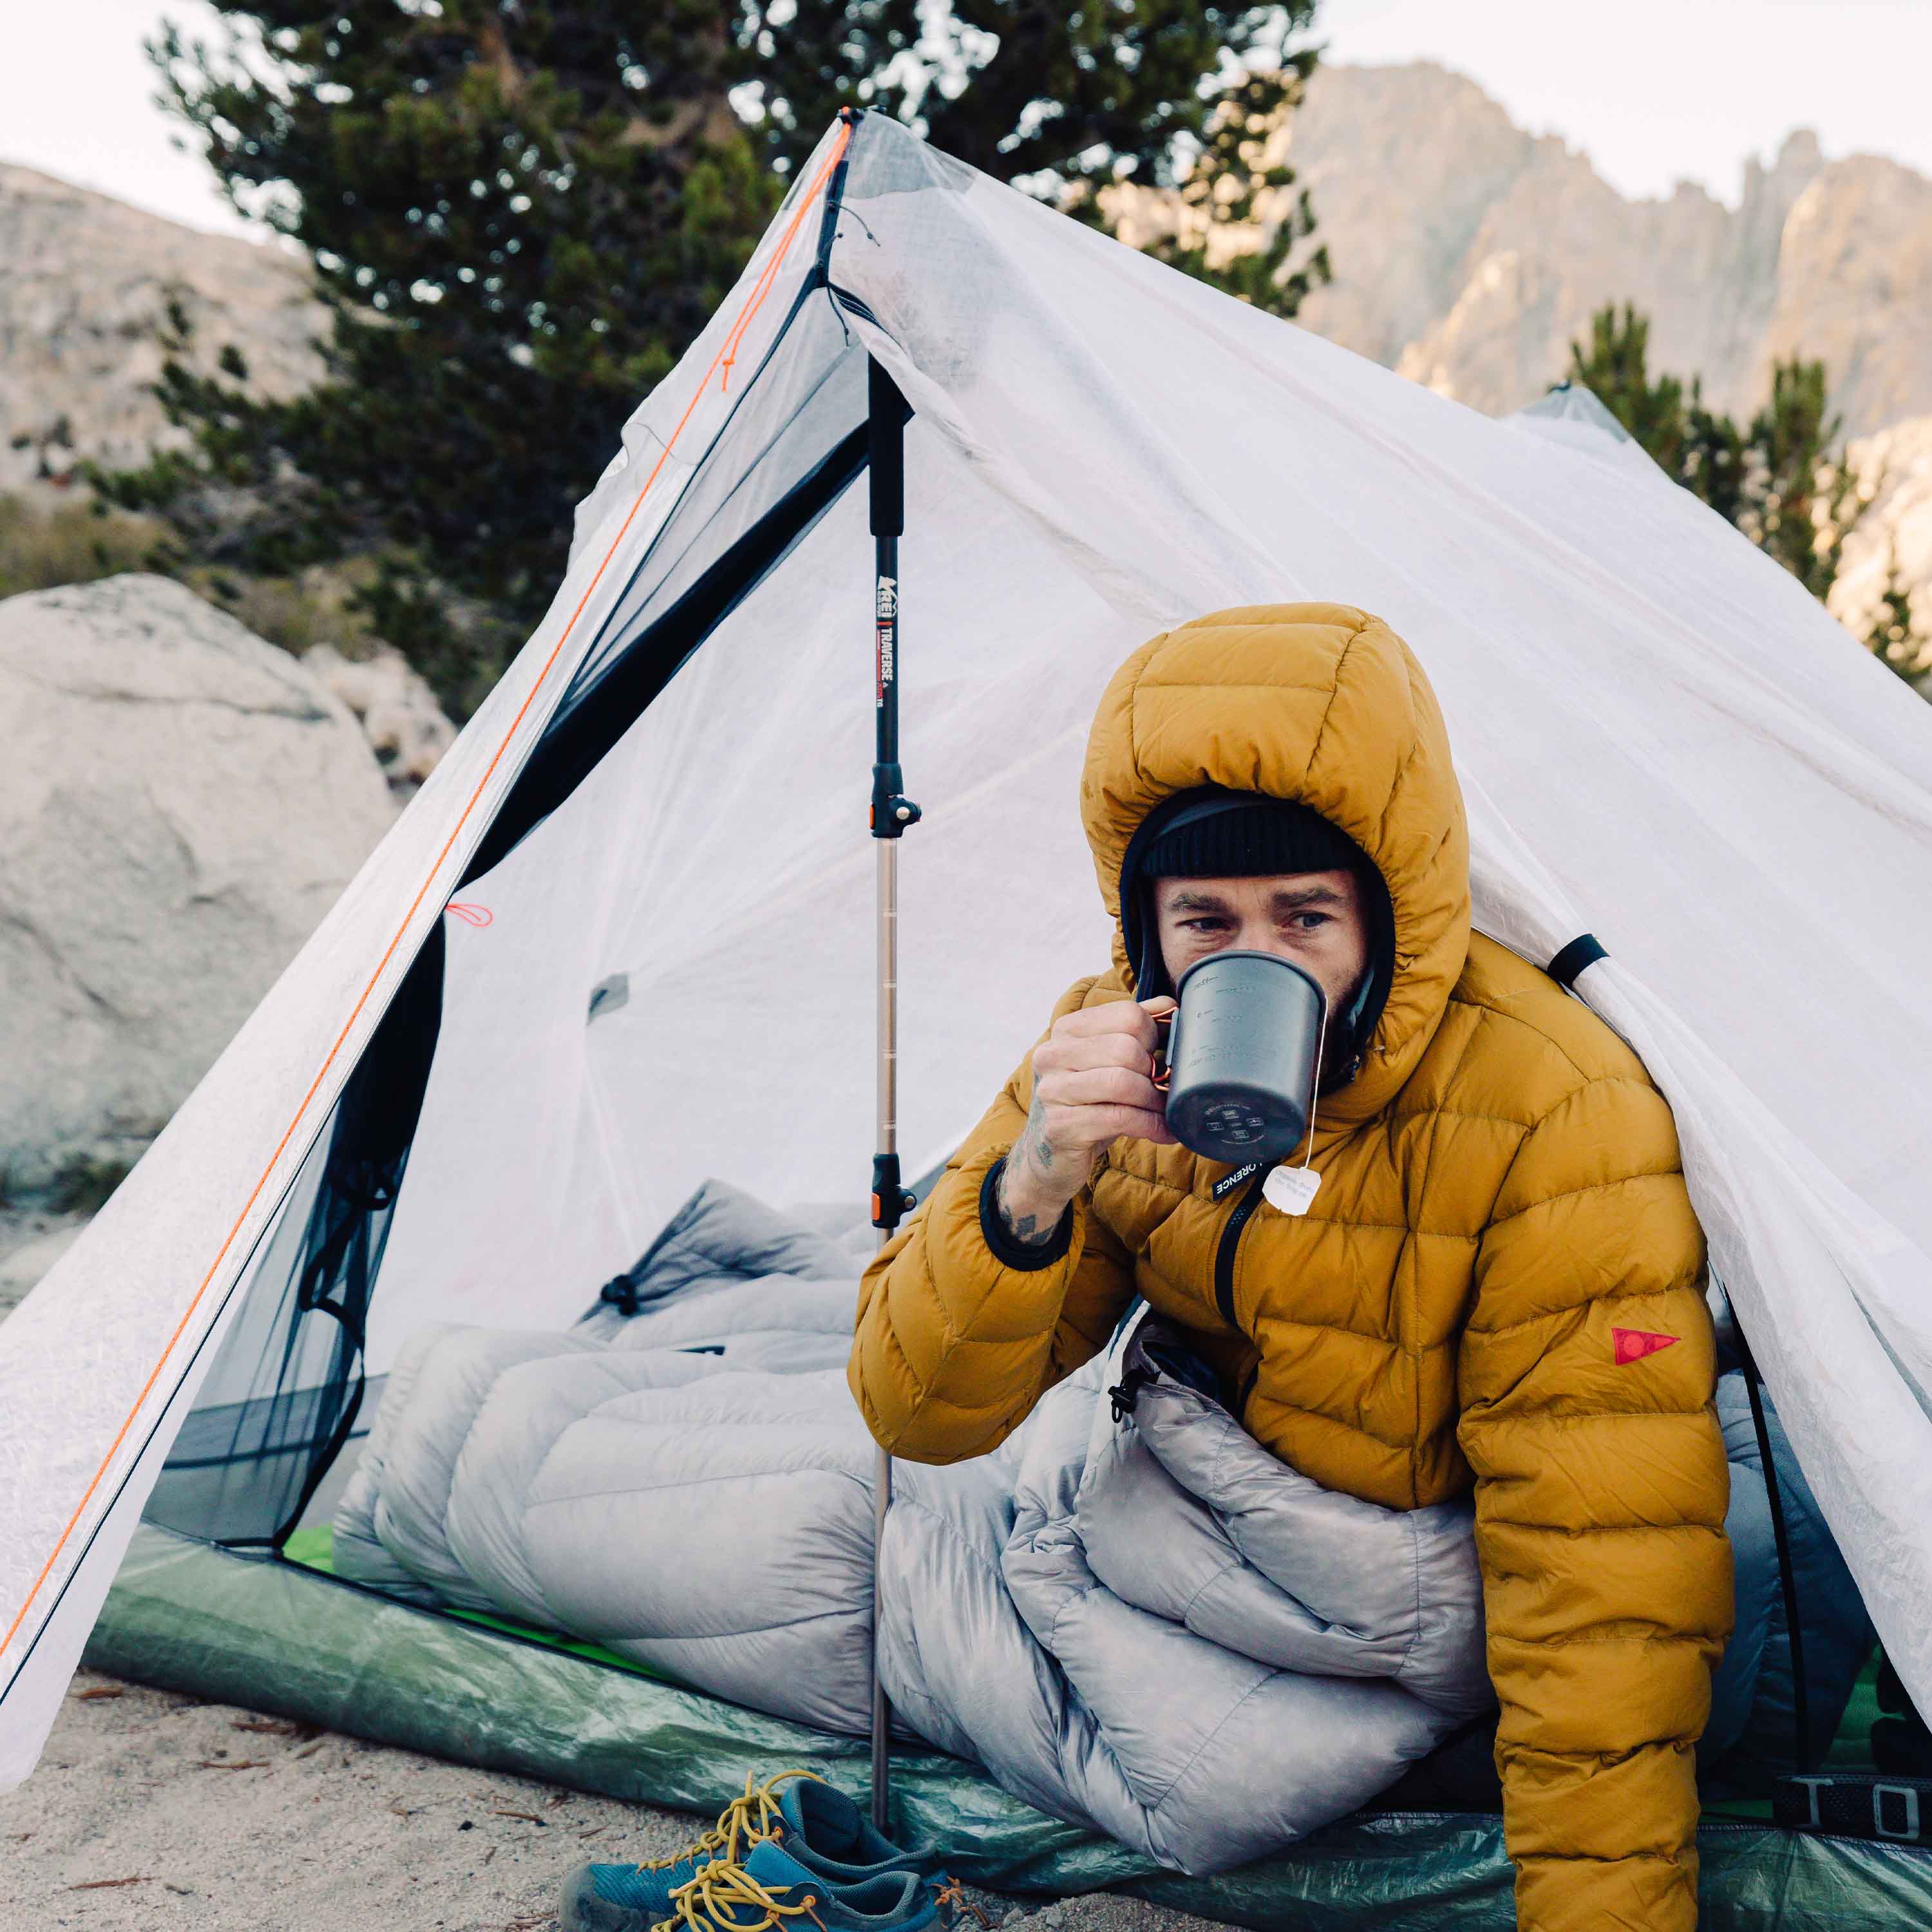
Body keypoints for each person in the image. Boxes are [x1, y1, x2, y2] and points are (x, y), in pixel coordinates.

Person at [851, 603, 1732, 1932]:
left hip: (1366, 1611)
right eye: (1204, 921)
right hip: (1177, 1513)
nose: (1252, 958)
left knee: (846, 1579)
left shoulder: (1552, 1109)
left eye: (1307, 916)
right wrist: (1032, 1181)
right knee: (827, 1510)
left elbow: (1602, 1579)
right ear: (1146, 932)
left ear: (1393, 915)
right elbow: (916, 1415)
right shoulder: (1109, 1047)